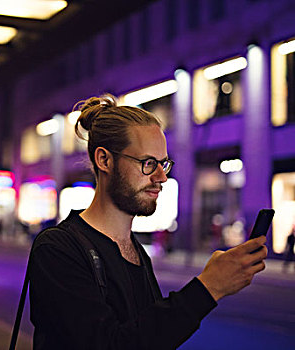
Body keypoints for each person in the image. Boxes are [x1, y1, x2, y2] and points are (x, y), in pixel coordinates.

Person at [28, 94, 268, 350]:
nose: (162, 177)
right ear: (104, 160)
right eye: (148, 163)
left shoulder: (135, 250)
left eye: (163, 163)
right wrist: (208, 287)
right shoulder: (58, 248)